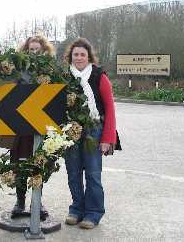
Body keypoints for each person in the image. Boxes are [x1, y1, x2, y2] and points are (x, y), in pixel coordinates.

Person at [63, 37, 119, 229]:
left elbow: (110, 109)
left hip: (94, 129)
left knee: (93, 174)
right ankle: (77, 209)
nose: (78, 58)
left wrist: (108, 138)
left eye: (82, 54)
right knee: (73, 172)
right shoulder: (64, 76)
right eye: (75, 54)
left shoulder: (99, 76)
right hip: (70, 130)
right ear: (70, 56)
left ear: (89, 57)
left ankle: (94, 213)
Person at [0, 35, 54, 219]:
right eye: (31, 49)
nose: (34, 52)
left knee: (40, 163)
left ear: (44, 50)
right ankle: (20, 201)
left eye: (38, 49)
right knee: (19, 163)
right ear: (26, 51)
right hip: (20, 127)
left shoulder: (50, 70)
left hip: (40, 127)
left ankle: (37, 202)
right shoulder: (17, 70)